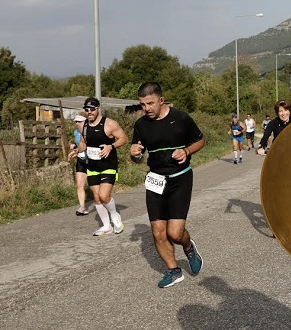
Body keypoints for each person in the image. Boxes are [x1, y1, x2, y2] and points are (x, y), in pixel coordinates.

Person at [130, 82, 206, 288]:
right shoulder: (141, 125)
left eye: (150, 103)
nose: (146, 108)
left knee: (174, 233)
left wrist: (187, 151)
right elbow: (138, 155)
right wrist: (135, 155)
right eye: (142, 104)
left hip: (180, 178)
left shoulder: (180, 118)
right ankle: (173, 270)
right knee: (157, 232)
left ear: (161, 100)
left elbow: (201, 140)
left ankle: (189, 248)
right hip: (155, 180)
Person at [70, 97, 129, 236]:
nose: (89, 112)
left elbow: (124, 138)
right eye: (87, 109)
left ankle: (115, 217)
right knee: (96, 197)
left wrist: (111, 146)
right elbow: (83, 143)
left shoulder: (109, 124)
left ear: (98, 109)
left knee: (104, 195)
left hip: (108, 164)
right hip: (92, 166)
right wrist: (76, 150)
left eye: (92, 109)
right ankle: (106, 226)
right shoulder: (84, 125)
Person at [69, 114, 89, 216]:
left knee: (96, 185)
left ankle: (103, 203)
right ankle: (82, 207)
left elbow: (85, 145)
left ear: (85, 122)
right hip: (81, 159)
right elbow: (79, 144)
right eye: (76, 122)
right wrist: (74, 145)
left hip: (92, 160)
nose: (77, 123)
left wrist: (75, 151)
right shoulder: (76, 132)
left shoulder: (90, 131)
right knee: (80, 185)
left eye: (79, 121)